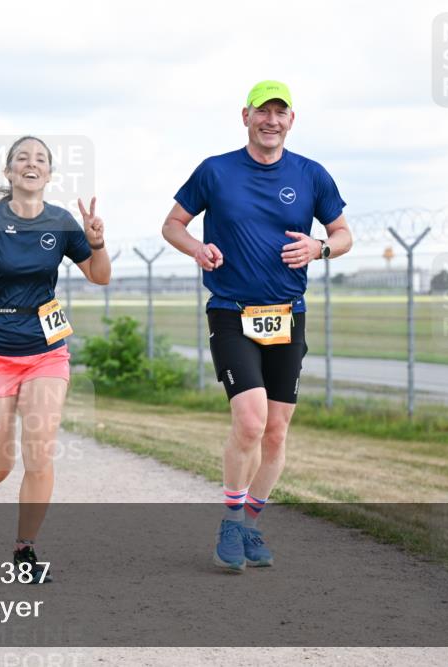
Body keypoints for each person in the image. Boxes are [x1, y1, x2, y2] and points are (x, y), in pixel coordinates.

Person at [162, 80, 353, 572]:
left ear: (293, 120)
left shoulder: (311, 175)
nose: (271, 120)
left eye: (280, 112)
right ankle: (230, 520)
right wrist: (196, 249)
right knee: (250, 421)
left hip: (289, 315)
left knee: (276, 432)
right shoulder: (216, 170)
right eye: (262, 111)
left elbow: (343, 233)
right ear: (244, 116)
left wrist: (320, 248)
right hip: (231, 311)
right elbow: (173, 224)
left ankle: (249, 522)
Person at [0, 135, 111, 583]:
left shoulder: (62, 221)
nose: (31, 165)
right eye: (22, 159)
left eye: (40, 160)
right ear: (9, 173)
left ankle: (24, 549)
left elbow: (99, 276)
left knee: (40, 451)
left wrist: (98, 243)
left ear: (49, 175)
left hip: (45, 351)